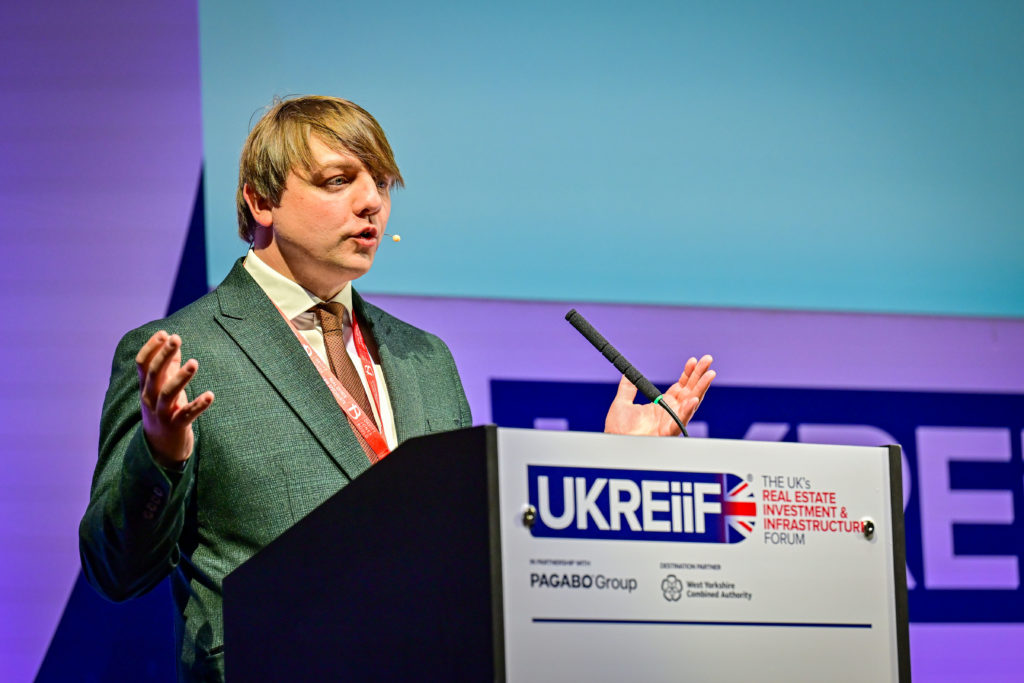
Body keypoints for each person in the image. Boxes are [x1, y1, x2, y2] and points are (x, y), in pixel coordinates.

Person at [79, 95, 715, 682]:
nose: (372, 204)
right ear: (261, 201)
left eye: (381, 184)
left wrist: (612, 467)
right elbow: (116, 571)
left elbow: (480, 546)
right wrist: (161, 454)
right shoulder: (180, 352)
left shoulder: (425, 358)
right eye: (339, 180)